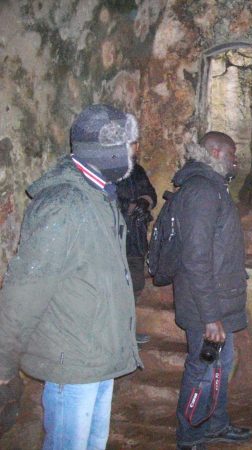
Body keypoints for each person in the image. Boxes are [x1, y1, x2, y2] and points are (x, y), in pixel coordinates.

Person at [0, 104, 142, 449]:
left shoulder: (98, 195)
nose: (134, 153)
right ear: (107, 151)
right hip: (73, 361)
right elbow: (23, 293)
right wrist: (3, 364)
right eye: (129, 145)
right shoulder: (65, 204)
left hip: (96, 356)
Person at [173, 132, 252, 450]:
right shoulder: (203, 191)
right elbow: (196, 257)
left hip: (219, 302)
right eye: (232, 153)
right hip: (206, 305)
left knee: (220, 365)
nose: (236, 159)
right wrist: (210, 316)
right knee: (204, 368)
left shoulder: (214, 186)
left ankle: (215, 423)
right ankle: (190, 434)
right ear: (216, 152)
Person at [116, 159, 157, 344]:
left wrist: (144, 202)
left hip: (135, 239)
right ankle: (116, 333)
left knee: (135, 284)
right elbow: (106, 200)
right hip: (114, 239)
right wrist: (129, 207)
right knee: (115, 289)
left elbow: (150, 193)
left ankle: (127, 332)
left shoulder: (135, 169)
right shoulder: (106, 169)